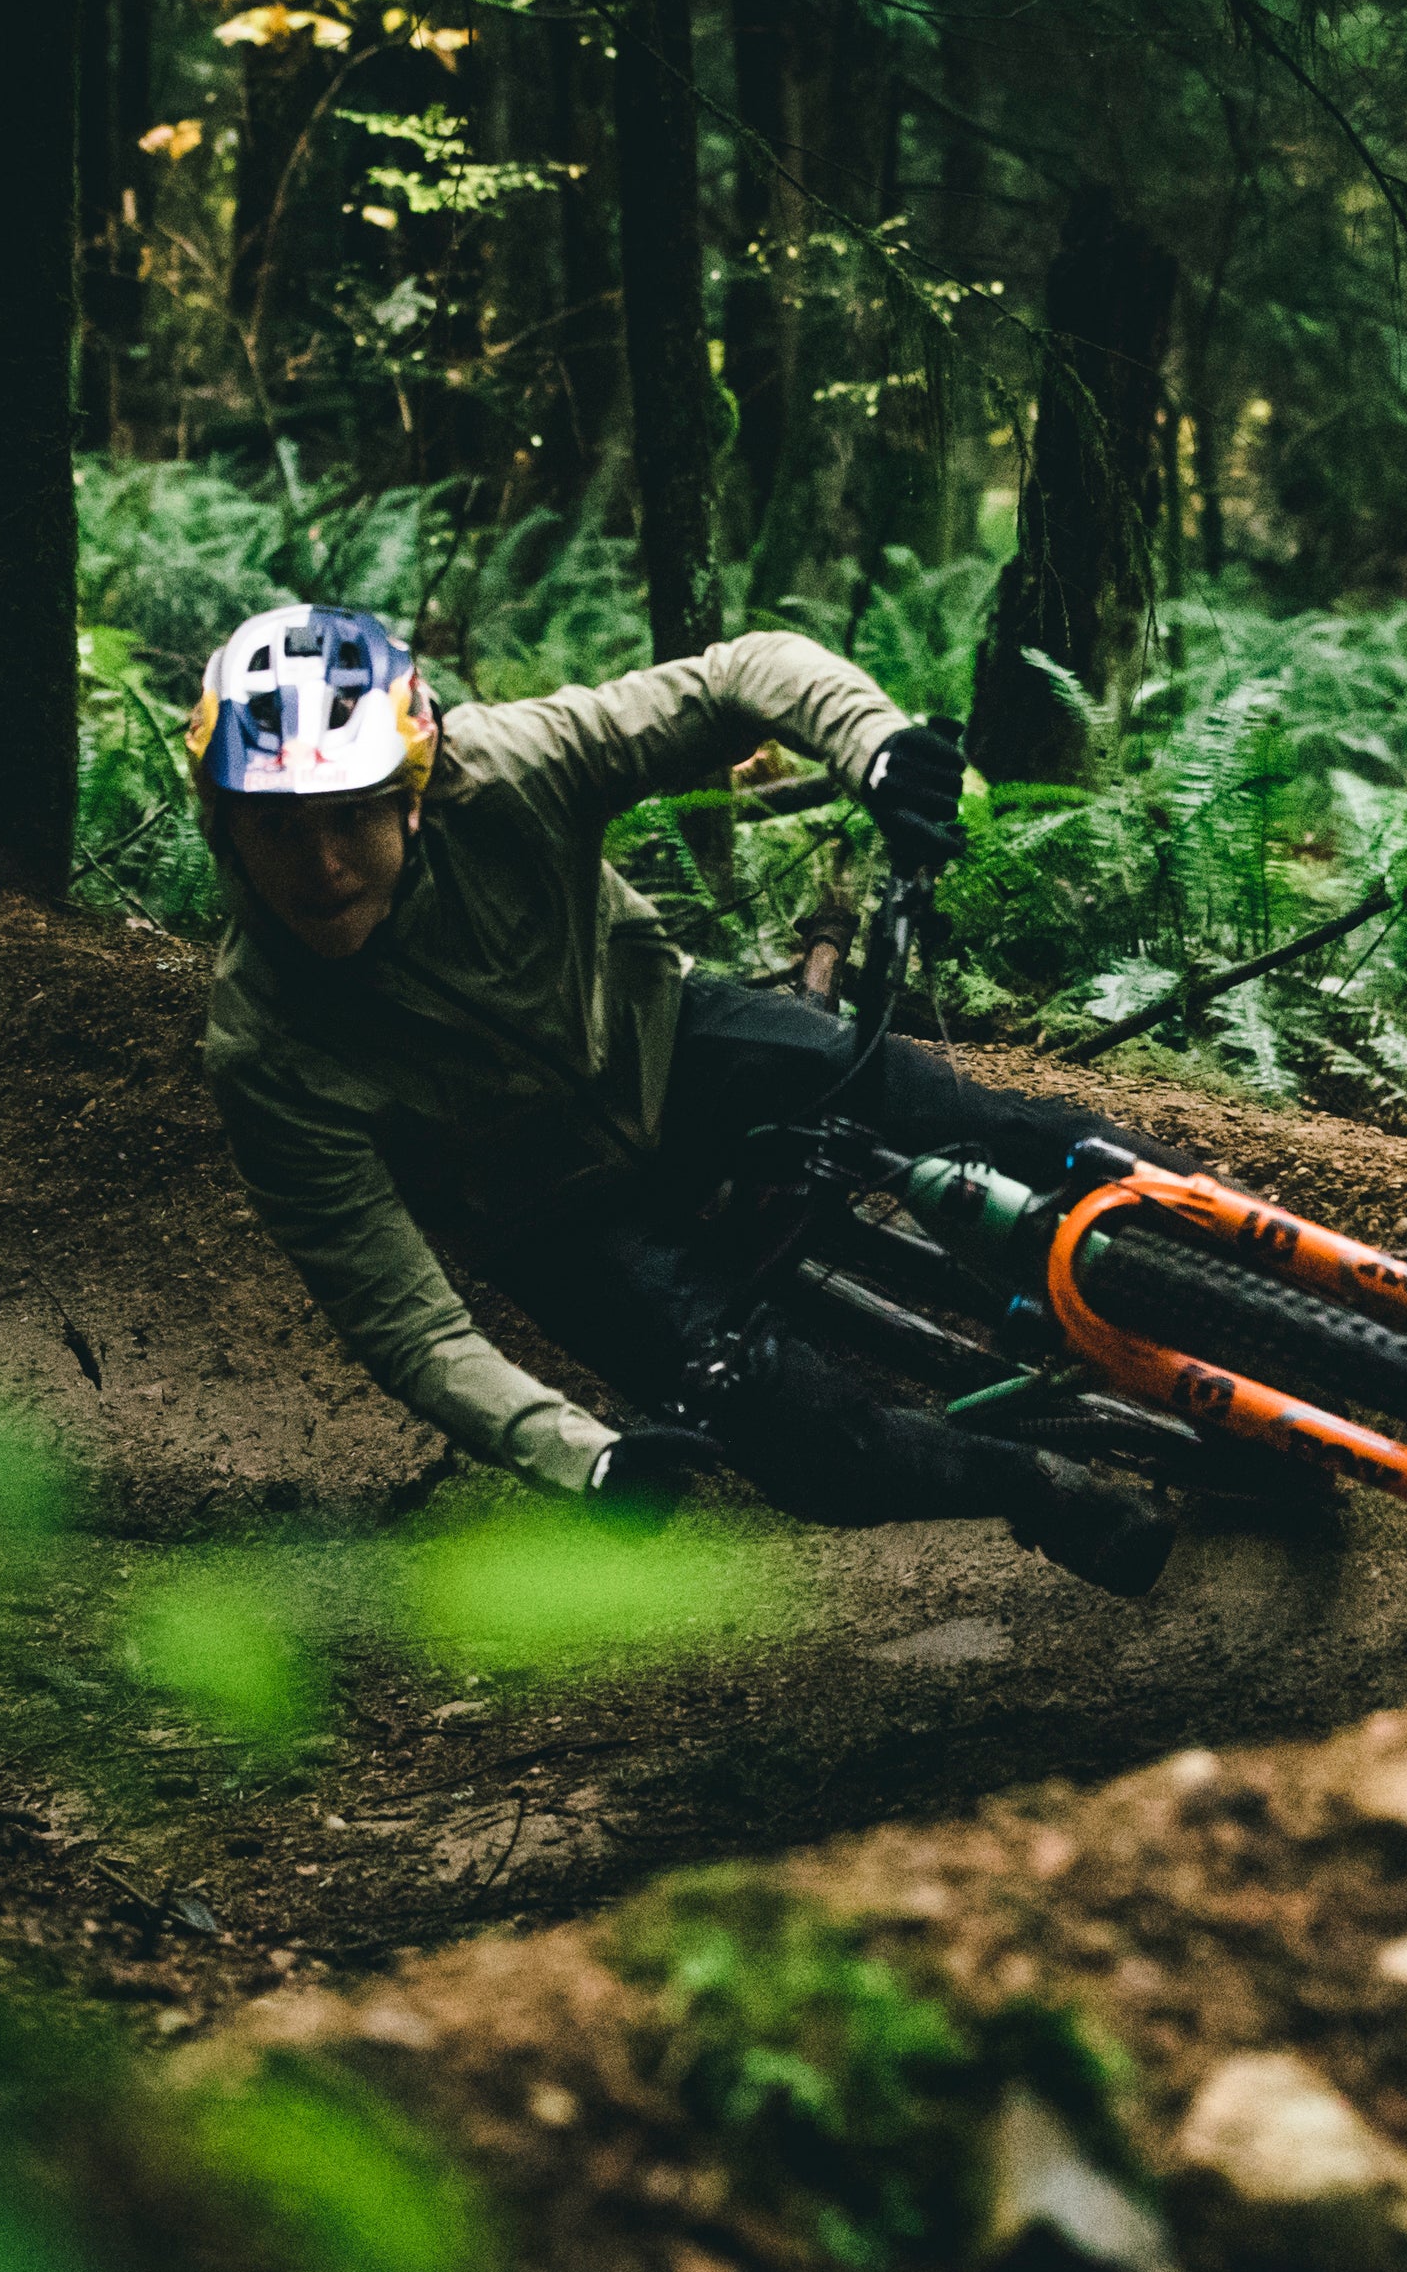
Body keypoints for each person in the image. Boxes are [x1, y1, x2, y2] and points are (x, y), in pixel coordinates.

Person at [189, 602, 1194, 1595]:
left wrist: (875, 748)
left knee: (972, 1118)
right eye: (276, 829)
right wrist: (579, 1457)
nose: (319, 868)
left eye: (350, 816)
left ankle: (1228, 1231)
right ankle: (1038, 1485)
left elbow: (734, 676)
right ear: (224, 829)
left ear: (411, 793)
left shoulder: (506, 770)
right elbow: (410, 1327)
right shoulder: (265, 1046)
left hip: (670, 1042)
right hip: (557, 1217)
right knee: (818, 1449)